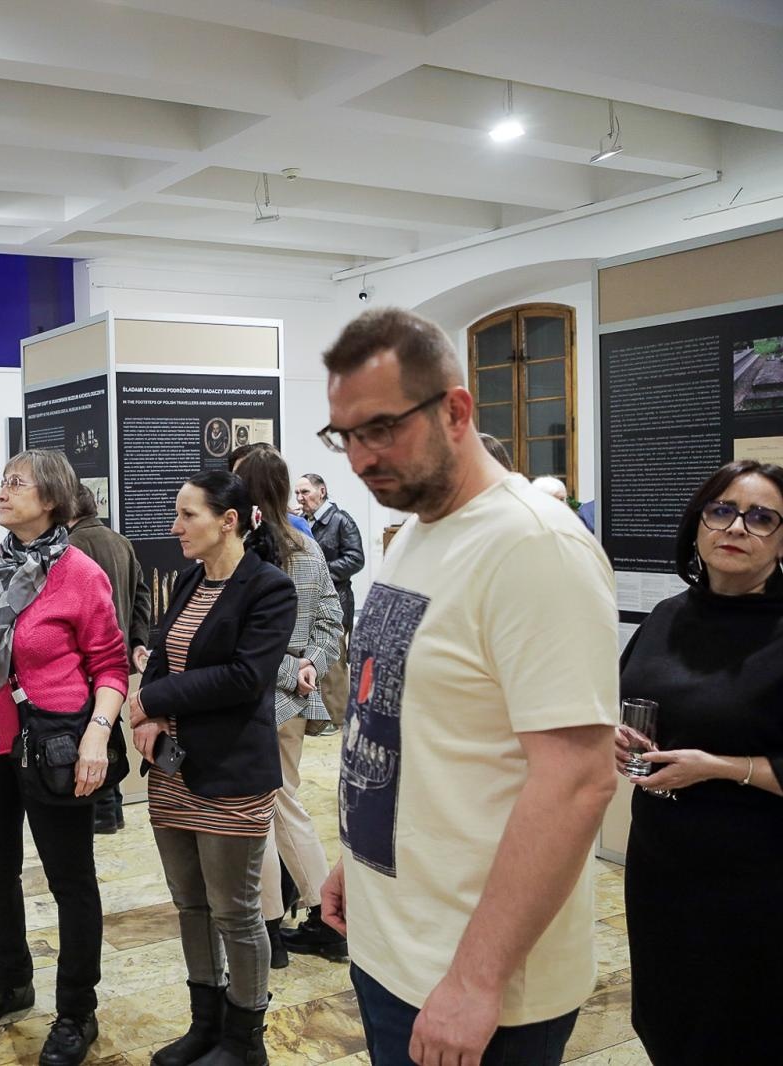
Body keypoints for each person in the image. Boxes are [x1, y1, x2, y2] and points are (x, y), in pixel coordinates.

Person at [316, 308, 619, 1066]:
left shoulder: (534, 547)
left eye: (381, 429)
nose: (361, 459)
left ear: (456, 411)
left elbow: (577, 780)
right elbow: (406, 725)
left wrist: (477, 981)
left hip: (476, 982)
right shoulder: (419, 530)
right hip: (395, 944)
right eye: (345, 436)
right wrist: (361, 859)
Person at [0, 449, 128, 1066]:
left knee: (70, 880)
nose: (1, 491)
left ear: (50, 498)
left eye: (15, 484)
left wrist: (97, 736)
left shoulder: (80, 573)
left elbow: (110, 665)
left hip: (54, 747)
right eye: (1, 481)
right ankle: (11, 981)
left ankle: (76, 1011)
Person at [615, 459, 783, 1064]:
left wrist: (718, 766)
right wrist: (616, 738)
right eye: (722, 511)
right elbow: (630, 701)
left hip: (757, 878)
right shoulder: (667, 616)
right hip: (662, 864)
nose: (736, 527)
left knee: (744, 1032)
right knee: (668, 1019)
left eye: (761, 518)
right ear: (698, 524)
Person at [130, 470, 296, 1066]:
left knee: (235, 911)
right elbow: (161, 649)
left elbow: (245, 678)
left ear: (228, 521)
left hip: (231, 775)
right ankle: (206, 1025)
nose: (175, 527)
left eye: (187, 515)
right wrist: (149, 711)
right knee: (191, 904)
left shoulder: (269, 588)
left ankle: (245, 1040)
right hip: (174, 770)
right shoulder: (191, 577)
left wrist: (154, 699)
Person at [235, 449, 346, 970]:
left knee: (267, 810)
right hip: (294, 699)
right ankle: (302, 921)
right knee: (279, 804)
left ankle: (293, 922)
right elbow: (331, 622)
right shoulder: (307, 546)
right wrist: (309, 668)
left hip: (258, 699)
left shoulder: (246, 554)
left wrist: (293, 670)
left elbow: (245, 642)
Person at [67, 484, 151, 834]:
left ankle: (103, 811)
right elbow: (142, 596)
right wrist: (137, 641)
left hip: (86, 660)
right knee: (108, 728)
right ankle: (112, 809)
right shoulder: (121, 542)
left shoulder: (70, 547)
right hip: (117, 659)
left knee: (93, 731)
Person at [294, 472, 364, 733]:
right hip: (310, 605)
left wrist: (320, 572)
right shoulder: (302, 522)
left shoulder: (341, 521)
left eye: (305, 492)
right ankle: (321, 720)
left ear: (321, 491)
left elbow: (356, 559)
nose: (300, 498)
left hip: (337, 602)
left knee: (334, 664)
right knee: (315, 661)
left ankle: (338, 719)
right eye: (297, 493)